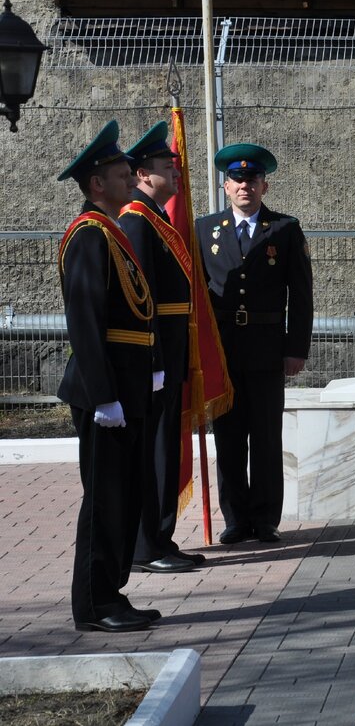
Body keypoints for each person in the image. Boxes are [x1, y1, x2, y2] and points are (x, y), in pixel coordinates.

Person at [57, 120, 161, 632]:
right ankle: (94, 605)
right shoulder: (88, 237)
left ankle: (112, 594)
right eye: (123, 175)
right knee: (104, 499)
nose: (132, 182)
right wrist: (104, 396)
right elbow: (86, 320)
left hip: (128, 385)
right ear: (98, 183)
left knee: (126, 495)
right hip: (107, 392)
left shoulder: (111, 232)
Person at [195, 143, 313, 545]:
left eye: (252, 180)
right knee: (227, 436)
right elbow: (196, 294)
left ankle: (265, 519)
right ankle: (235, 518)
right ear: (225, 187)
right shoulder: (204, 229)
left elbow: (300, 295)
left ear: (265, 186)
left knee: (265, 436)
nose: (244, 186)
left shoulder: (285, 228)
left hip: (266, 347)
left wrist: (295, 347)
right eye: (236, 180)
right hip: (223, 350)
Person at [120, 121, 204, 573]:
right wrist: (153, 358)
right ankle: (144, 545)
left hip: (171, 351)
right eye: (165, 167)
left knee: (165, 446)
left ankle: (161, 537)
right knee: (152, 449)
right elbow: (142, 297)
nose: (175, 174)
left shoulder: (158, 217)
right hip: (156, 353)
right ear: (142, 175)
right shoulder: (136, 220)